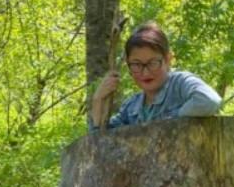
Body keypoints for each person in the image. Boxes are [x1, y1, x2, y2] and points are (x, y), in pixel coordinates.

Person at [90, 22, 222, 130]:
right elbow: (100, 142)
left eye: (153, 63)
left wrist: (171, 119)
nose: (145, 72)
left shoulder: (180, 84)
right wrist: (98, 100)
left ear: (168, 59)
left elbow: (209, 101)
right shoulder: (131, 108)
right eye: (137, 64)